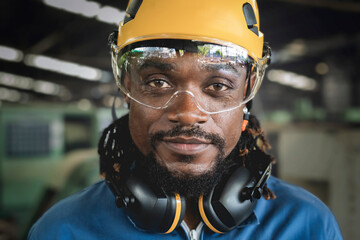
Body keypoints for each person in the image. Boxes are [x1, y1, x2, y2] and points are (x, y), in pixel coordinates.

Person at [28, 0, 343, 239]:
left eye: (218, 86)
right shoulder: (63, 229)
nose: (188, 113)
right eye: (157, 82)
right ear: (126, 88)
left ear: (246, 94)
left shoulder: (307, 224)